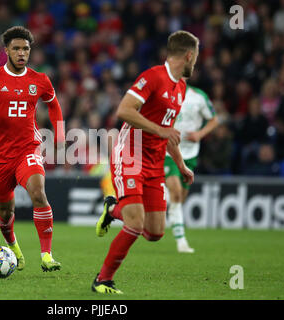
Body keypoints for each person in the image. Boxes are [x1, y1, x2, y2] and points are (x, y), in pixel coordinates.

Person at [93, 30, 199, 294]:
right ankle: (103, 280)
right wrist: (160, 130)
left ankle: (112, 210)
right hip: (130, 154)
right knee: (136, 224)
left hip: (154, 162)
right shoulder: (152, 77)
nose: (196, 62)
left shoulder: (181, 87)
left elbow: (169, 132)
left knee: (154, 233)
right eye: (195, 57)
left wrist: (181, 164)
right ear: (188, 55)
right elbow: (124, 110)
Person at [0, 26, 65, 272]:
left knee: (38, 193)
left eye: (25, 49)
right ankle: (13, 246)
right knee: (6, 212)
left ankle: (47, 255)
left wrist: (59, 135)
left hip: (27, 149)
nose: (21, 53)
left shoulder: (40, 80)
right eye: (16, 48)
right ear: (6, 50)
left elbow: (55, 106)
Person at [164, 84, 218, 253]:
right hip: (168, 152)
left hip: (191, 153)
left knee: (181, 198)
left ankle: (167, 211)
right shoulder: (164, 93)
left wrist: (199, 134)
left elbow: (214, 119)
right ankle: (181, 240)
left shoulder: (198, 95)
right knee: (176, 191)